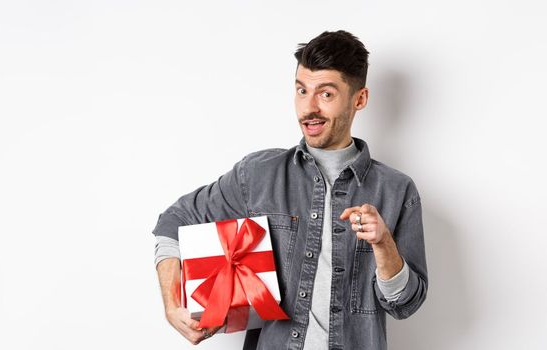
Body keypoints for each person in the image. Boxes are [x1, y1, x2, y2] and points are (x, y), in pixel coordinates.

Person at [152, 30, 428, 350]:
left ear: (360, 99)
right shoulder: (258, 174)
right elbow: (174, 220)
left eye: (325, 94)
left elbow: (406, 305)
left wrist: (384, 245)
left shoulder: (396, 190)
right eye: (301, 90)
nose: (308, 108)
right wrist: (172, 305)